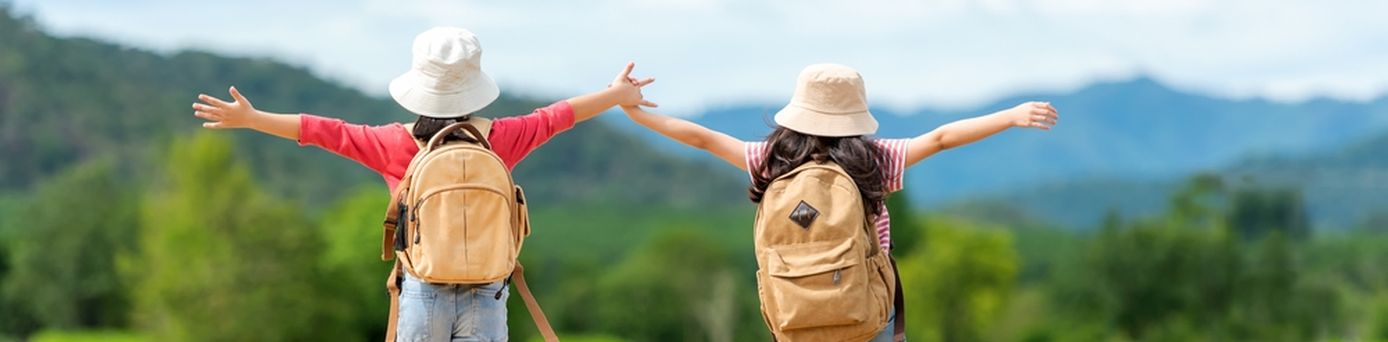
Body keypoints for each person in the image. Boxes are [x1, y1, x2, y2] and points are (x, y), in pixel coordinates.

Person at [191, 27, 654, 341]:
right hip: (487, 290)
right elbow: (557, 116)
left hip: (422, 290)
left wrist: (252, 118)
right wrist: (618, 94)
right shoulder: (498, 139)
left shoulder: (393, 142)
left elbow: (323, 130)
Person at [620, 63, 1058, 341]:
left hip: (794, 314)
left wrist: (634, 111)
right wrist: (1010, 116)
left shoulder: (769, 160)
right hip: (864, 313)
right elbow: (941, 138)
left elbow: (701, 138)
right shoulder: (875, 159)